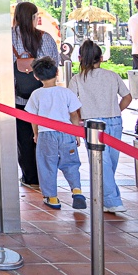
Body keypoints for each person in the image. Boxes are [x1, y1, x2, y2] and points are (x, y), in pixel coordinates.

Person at [68, 40, 132, 213]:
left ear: (80, 58)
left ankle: (112, 201)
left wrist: (76, 124)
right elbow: (127, 97)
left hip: (93, 124)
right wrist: (116, 110)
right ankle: (110, 198)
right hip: (115, 121)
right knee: (110, 161)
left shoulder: (77, 79)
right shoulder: (112, 75)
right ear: (101, 58)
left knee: (101, 163)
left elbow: (72, 106)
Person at [25, 57, 86, 211]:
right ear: (57, 72)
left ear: (36, 76)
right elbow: (74, 115)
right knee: (71, 163)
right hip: (66, 133)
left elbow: (34, 118)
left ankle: (52, 197)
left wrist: (36, 134)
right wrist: (76, 134)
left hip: (46, 135)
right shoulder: (66, 92)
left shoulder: (36, 94)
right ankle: (77, 190)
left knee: (47, 165)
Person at [12, 1, 60, 189]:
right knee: (45, 137)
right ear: (33, 18)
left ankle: (29, 176)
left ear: (16, 17)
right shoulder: (45, 38)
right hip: (43, 98)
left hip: (18, 96)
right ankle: (46, 176)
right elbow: (54, 65)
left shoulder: (7, 36)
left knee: (24, 139)